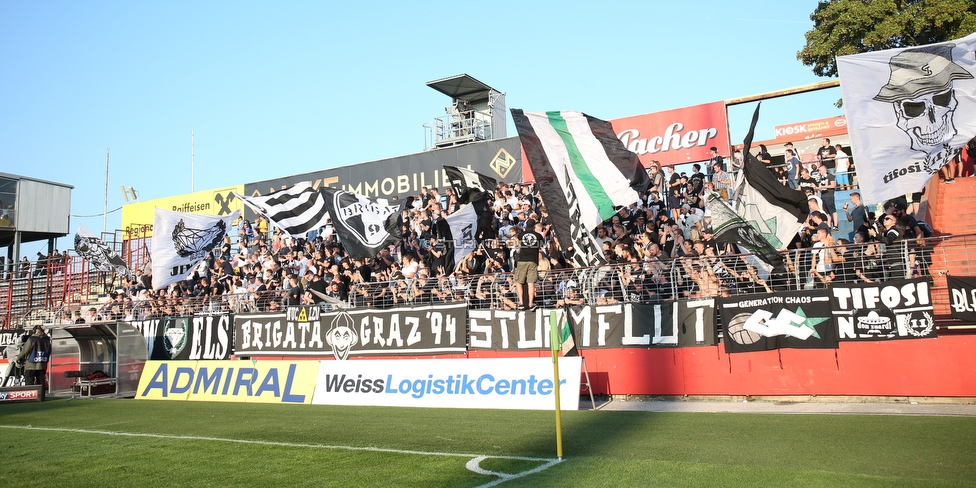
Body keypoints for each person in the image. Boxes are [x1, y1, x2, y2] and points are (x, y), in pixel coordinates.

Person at [513, 220, 544, 310]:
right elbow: (541, 244)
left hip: (522, 260)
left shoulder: (522, 234)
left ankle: (521, 303)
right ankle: (531, 304)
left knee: (519, 282)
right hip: (533, 260)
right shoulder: (538, 236)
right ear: (534, 227)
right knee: (531, 283)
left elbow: (518, 238)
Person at [16, 325, 51, 399]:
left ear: (34, 331)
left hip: (31, 364)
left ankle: (29, 397)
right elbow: (49, 351)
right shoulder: (47, 339)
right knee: (41, 381)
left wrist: (18, 358)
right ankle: (41, 397)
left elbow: (25, 350)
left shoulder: (32, 339)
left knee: (29, 381)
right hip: (42, 364)